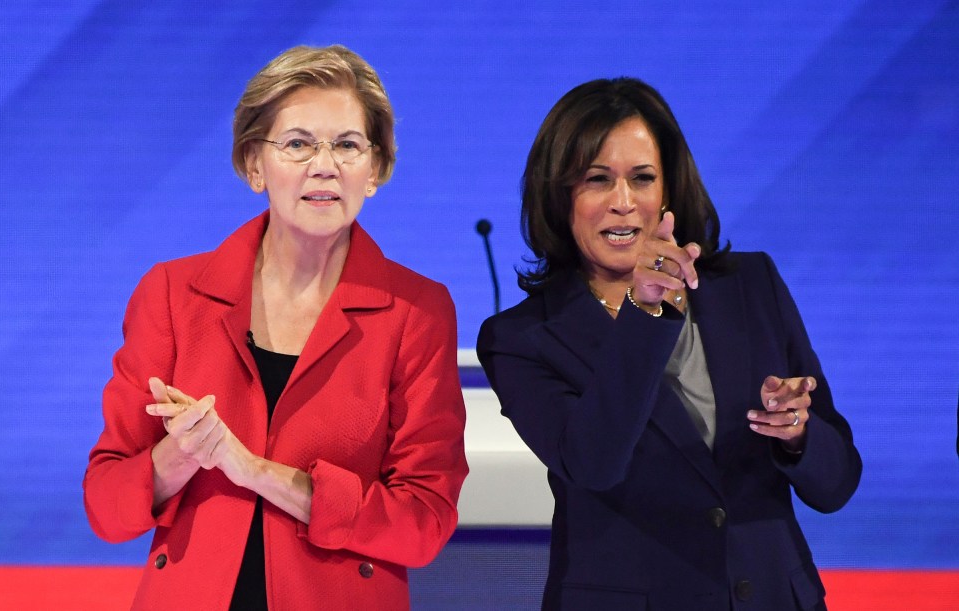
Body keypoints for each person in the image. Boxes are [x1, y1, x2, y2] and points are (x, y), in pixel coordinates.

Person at [84, 45, 468, 611]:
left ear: (376, 170)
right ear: (253, 166)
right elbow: (106, 508)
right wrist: (181, 456)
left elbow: (423, 523)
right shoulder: (171, 295)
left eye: (347, 145)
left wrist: (254, 471)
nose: (324, 164)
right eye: (297, 144)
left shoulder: (416, 312)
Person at [476, 77, 861, 610]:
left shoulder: (750, 286)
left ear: (669, 191)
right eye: (596, 180)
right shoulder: (521, 338)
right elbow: (595, 462)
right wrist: (644, 311)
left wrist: (798, 435)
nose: (623, 202)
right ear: (559, 195)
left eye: (642, 178)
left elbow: (838, 483)